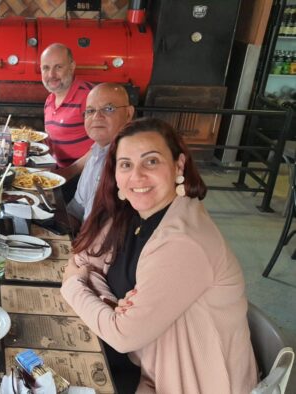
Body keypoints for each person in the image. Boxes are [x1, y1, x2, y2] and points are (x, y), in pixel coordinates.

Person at [60, 118, 258, 393]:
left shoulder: (185, 242)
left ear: (179, 165)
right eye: (126, 164)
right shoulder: (131, 214)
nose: (137, 176)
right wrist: (111, 303)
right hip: (141, 363)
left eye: (151, 161)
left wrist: (73, 287)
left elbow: (122, 335)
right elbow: (83, 260)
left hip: (186, 382)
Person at [66, 83, 134, 226]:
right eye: (90, 111)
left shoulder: (131, 162)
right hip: (83, 240)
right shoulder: (96, 153)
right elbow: (76, 211)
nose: (97, 116)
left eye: (108, 109)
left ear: (128, 114)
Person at [40, 43, 95, 171]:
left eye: (58, 67)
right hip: (59, 170)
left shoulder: (90, 96)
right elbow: (52, 141)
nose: (51, 74)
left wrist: (70, 172)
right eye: (46, 68)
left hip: (84, 176)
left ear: (72, 67)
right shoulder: (49, 100)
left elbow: (105, 144)